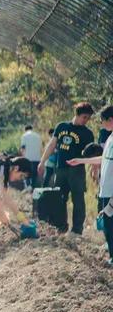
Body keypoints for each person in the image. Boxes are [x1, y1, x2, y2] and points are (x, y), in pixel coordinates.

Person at [38, 102, 95, 234]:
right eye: (84, 117)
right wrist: (42, 161)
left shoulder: (88, 133)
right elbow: (52, 145)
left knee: (78, 200)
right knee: (59, 198)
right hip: (61, 168)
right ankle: (61, 226)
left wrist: (94, 168)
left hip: (77, 170)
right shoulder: (61, 127)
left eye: (88, 118)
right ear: (77, 114)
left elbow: (92, 153)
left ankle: (77, 230)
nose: (86, 120)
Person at [66, 105, 113, 264]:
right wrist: (81, 161)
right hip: (105, 190)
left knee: (110, 225)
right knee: (107, 226)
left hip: (111, 191)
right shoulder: (110, 139)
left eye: (102, 121)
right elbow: (103, 159)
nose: (101, 124)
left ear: (110, 120)